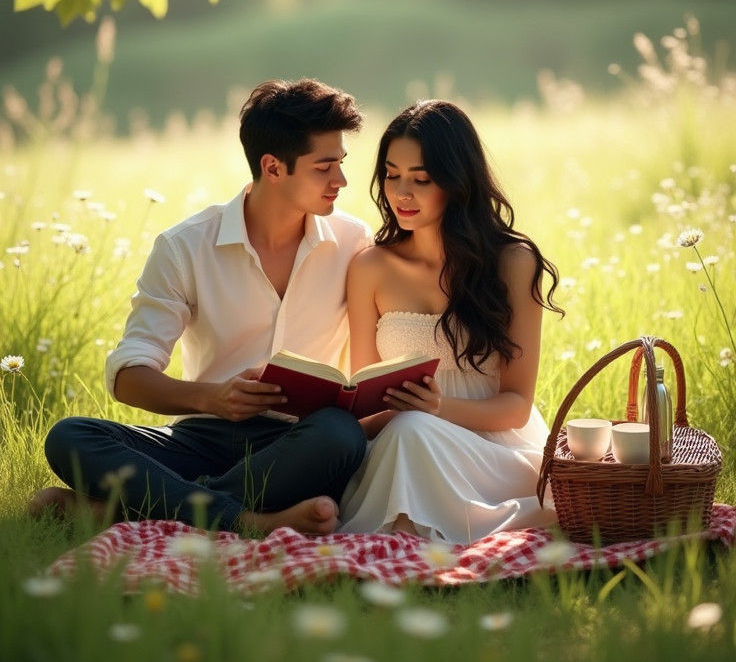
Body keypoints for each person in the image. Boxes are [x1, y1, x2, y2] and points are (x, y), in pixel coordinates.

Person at [30, 79, 371, 536]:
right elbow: (130, 375)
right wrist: (213, 397)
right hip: (201, 436)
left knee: (341, 434)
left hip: (297, 445)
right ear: (273, 168)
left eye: (341, 164)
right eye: (324, 167)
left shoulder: (354, 243)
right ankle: (246, 520)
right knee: (71, 437)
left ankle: (141, 509)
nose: (341, 181)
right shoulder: (185, 246)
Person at [338, 100, 562, 543]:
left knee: (415, 428)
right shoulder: (370, 268)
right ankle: (406, 533)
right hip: (400, 442)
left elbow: (516, 405)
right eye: (391, 174)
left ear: (458, 181)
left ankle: (424, 531)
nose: (401, 193)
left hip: (492, 449)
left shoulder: (513, 263)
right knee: (408, 432)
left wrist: (436, 409)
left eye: (421, 179)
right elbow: (367, 397)